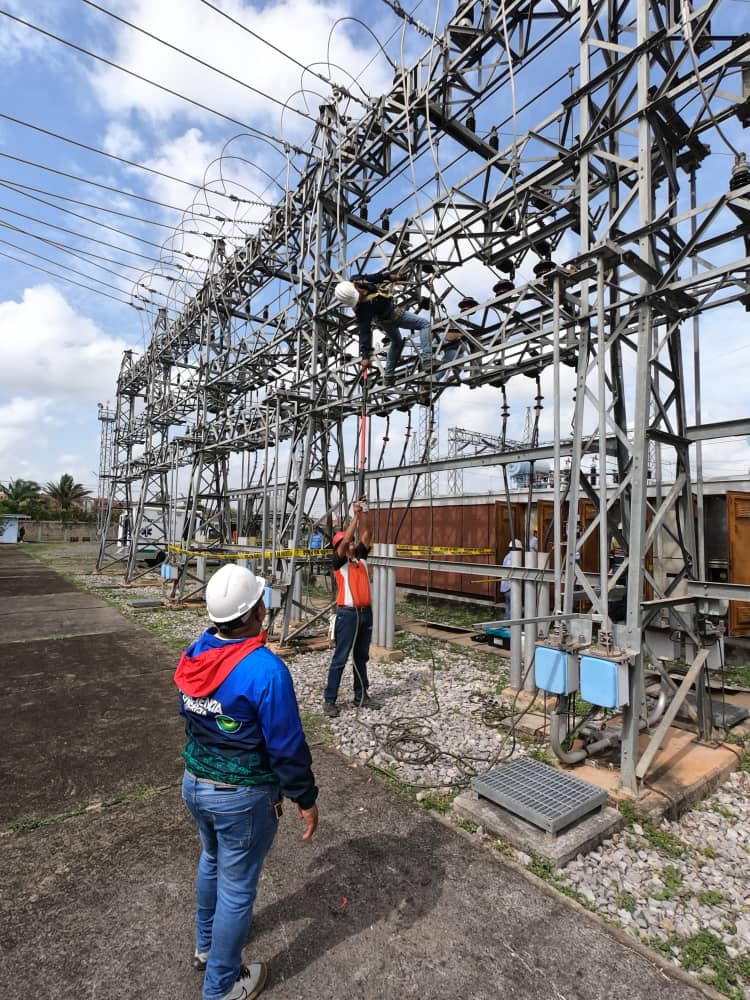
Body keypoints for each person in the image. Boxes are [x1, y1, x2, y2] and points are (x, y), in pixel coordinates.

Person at [174, 564, 319, 1000]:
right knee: (237, 890)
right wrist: (305, 797)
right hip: (241, 797)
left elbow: (190, 711)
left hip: (195, 783)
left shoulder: (196, 652)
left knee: (212, 860)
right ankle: (220, 986)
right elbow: (287, 746)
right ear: (257, 610)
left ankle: (205, 945)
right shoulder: (265, 671)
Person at [323, 498, 376, 716]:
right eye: (347, 543)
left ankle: (361, 696)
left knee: (360, 657)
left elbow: (368, 534)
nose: (352, 543)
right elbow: (345, 540)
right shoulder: (339, 563)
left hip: (365, 614)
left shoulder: (360, 559)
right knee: (340, 658)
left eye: (353, 542)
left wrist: (364, 512)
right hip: (347, 615)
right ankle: (330, 700)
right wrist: (354, 516)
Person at [334, 270, 432, 386]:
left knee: (397, 342)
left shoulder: (358, 279)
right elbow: (365, 332)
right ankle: (427, 360)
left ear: (354, 286)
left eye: (358, 293)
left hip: (386, 321)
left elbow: (375, 277)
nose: (361, 295)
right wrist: (365, 356)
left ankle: (388, 376)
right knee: (424, 325)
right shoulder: (361, 310)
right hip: (394, 315)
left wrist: (391, 276)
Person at [501, 539, 522, 619]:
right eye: (520, 550)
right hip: (510, 586)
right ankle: (513, 625)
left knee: (508, 606)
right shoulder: (511, 558)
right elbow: (511, 572)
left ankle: (507, 624)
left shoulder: (507, 556)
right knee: (514, 606)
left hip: (507, 586)